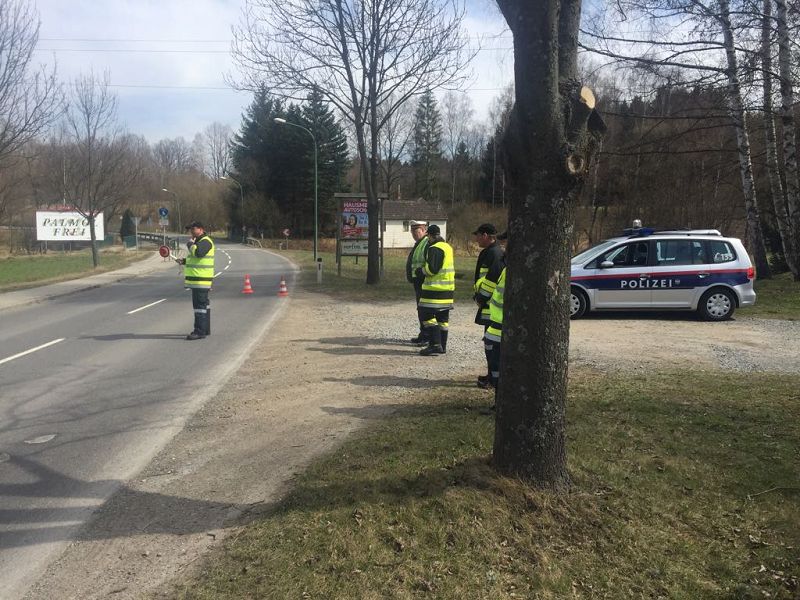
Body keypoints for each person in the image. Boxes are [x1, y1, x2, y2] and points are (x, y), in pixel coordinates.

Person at [471, 223, 505, 388]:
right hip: (488, 306)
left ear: (485, 235)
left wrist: (481, 297)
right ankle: (491, 376)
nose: (476, 238)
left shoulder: (494, 254)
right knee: (490, 345)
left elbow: (491, 281)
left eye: (478, 235)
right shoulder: (492, 252)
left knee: (491, 346)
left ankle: (493, 378)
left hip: (490, 307)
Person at [415, 224, 455, 356]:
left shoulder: (434, 248)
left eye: (428, 237)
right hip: (448, 289)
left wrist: (420, 271)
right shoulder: (447, 247)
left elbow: (432, 269)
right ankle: (442, 346)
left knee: (426, 315)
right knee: (442, 319)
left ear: (430, 236)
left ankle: (435, 344)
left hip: (434, 290)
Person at [178, 221, 215, 340]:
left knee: (199, 306)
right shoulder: (199, 241)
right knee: (204, 305)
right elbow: (197, 260)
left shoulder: (205, 241)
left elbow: (199, 253)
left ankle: (199, 331)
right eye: (190, 229)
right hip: (198, 280)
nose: (191, 232)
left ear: (201, 229)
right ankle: (205, 329)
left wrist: (189, 244)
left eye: (193, 229)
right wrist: (184, 261)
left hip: (201, 280)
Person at [483, 231, 507, 389]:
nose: (504, 248)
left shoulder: (501, 262)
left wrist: (480, 295)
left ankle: (499, 398)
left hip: (500, 328)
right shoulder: (505, 266)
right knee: (496, 367)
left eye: (506, 244)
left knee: (499, 368)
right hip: (496, 327)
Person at [405, 220, 429, 345]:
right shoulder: (419, 243)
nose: (414, 233)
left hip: (423, 282)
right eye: (412, 231)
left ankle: (426, 336)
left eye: (417, 230)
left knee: (424, 309)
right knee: (421, 309)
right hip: (418, 281)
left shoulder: (425, 243)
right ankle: (423, 333)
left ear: (424, 230)